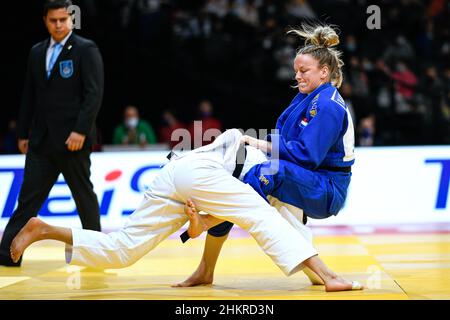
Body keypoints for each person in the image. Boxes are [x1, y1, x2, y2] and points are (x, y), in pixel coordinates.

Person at [9, 129, 362, 292]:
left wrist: (201, 234)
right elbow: (257, 219)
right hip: (202, 175)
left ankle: (43, 229)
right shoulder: (272, 175)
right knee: (263, 216)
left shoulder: (268, 180)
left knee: (122, 252)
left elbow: (225, 220)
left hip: (178, 176)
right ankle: (332, 277)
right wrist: (325, 276)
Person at [178, 24, 357, 287]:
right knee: (235, 181)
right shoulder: (307, 97)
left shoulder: (327, 104)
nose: (297, 76)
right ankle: (206, 269)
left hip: (325, 189)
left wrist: (262, 144)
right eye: (296, 70)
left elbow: (308, 156)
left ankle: (209, 219)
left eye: (303, 71)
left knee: (266, 172)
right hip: (301, 179)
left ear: (324, 71)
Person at [0, 0, 104, 266]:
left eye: (63, 19)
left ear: (71, 19)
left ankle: (95, 255)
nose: (58, 25)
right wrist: (23, 133)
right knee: (27, 200)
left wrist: (81, 130)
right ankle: (6, 256)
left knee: (84, 197)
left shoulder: (85, 49)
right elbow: (30, 95)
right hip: (41, 141)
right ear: (45, 21)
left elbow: (93, 94)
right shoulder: (37, 51)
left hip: (73, 141)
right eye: (53, 20)